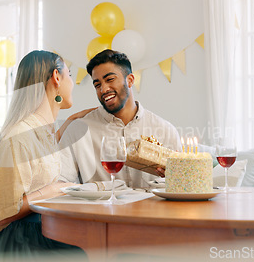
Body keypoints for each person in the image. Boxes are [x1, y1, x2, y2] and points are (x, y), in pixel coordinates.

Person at [0, 50, 86, 261]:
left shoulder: (40, 132)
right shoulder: (18, 138)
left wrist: (68, 122)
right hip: (11, 243)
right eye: (70, 74)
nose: (72, 82)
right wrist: (55, 189)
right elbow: (3, 213)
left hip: (34, 232)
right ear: (56, 77)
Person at [59, 49, 182, 189]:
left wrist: (174, 178)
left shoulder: (165, 130)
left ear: (130, 80)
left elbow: (180, 186)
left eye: (110, 79)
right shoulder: (78, 130)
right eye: (97, 85)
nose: (104, 89)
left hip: (151, 210)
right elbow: (59, 184)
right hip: (98, 210)